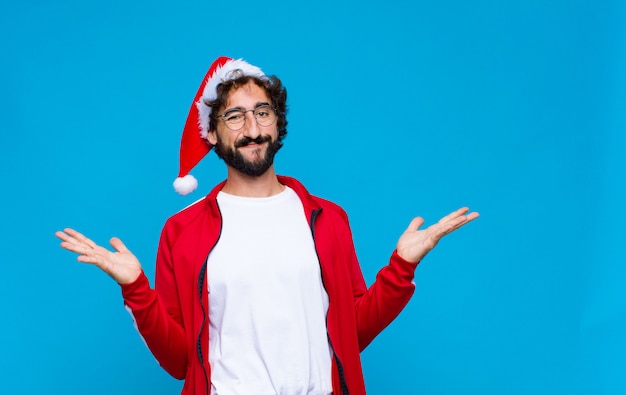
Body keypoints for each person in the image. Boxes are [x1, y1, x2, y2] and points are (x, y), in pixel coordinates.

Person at [56, 56, 479, 395]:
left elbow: (351, 332)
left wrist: (401, 268)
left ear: (277, 123)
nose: (252, 128)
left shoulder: (328, 219)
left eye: (262, 112)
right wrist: (136, 291)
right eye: (235, 117)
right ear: (213, 135)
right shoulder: (182, 231)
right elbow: (177, 362)